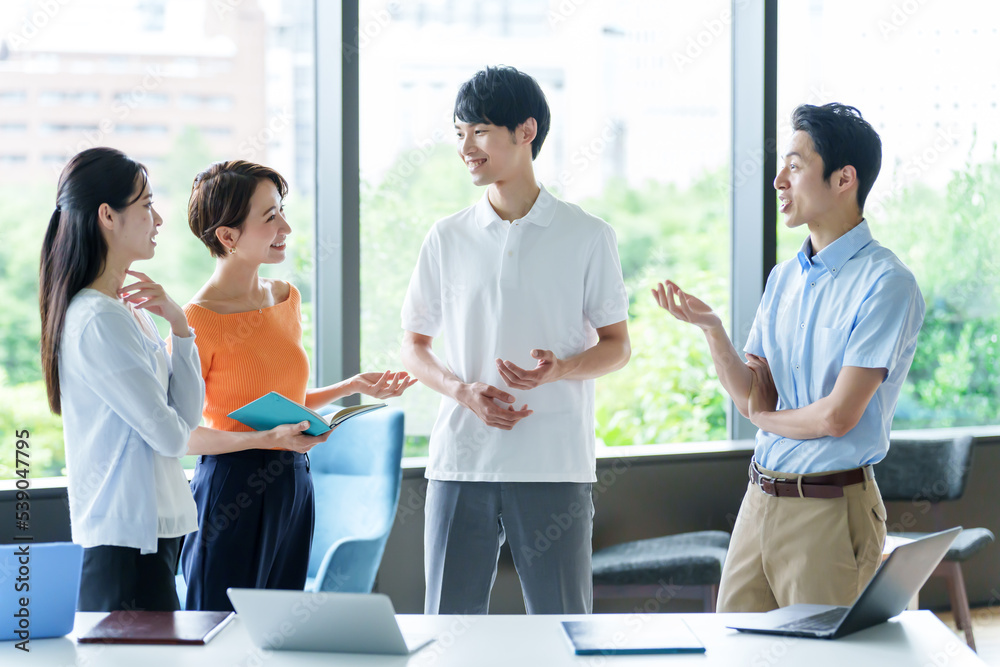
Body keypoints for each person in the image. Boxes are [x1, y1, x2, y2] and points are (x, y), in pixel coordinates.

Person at [653, 103, 925, 612]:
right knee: (735, 647)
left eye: (795, 166)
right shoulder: (784, 278)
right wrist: (713, 332)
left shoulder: (887, 284)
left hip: (827, 507)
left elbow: (837, 416)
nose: (779, 179)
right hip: (758, 500)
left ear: (845, 178)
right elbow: (753, 394)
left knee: (823, 657)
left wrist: (762, 416)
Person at [401, 66, 631, 615]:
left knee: (563, 628)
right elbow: (413, 346)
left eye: (479, 131)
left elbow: (618, 346)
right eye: (460, 133)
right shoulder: (446, 236)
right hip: (461, 463)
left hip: (554, 462)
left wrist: (560, 368)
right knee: (447, 633)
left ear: (525, 131)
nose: (466, 147)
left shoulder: (588, 235)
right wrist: (463, 392)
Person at [180, 160, 416, 612]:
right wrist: (266, 438)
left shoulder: (286, 297)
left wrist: (352, 385)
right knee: (218, 629)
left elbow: (280, 401)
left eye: (281, 210)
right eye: (269, 217)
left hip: (293, 484)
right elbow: (184, 434)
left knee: (279, 633)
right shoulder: (198, 321)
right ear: (227, 237)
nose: (285, 226)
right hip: (230, 489)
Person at [39, 147, 204, 611]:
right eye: (147, 204)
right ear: (108, 216)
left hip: (156, 535)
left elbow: (188, 418)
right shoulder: (97, 319)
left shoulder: (131, 310)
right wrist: (177, 426)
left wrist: (180, 325)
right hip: (125, 544)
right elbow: (173, 437)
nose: (159, 219)